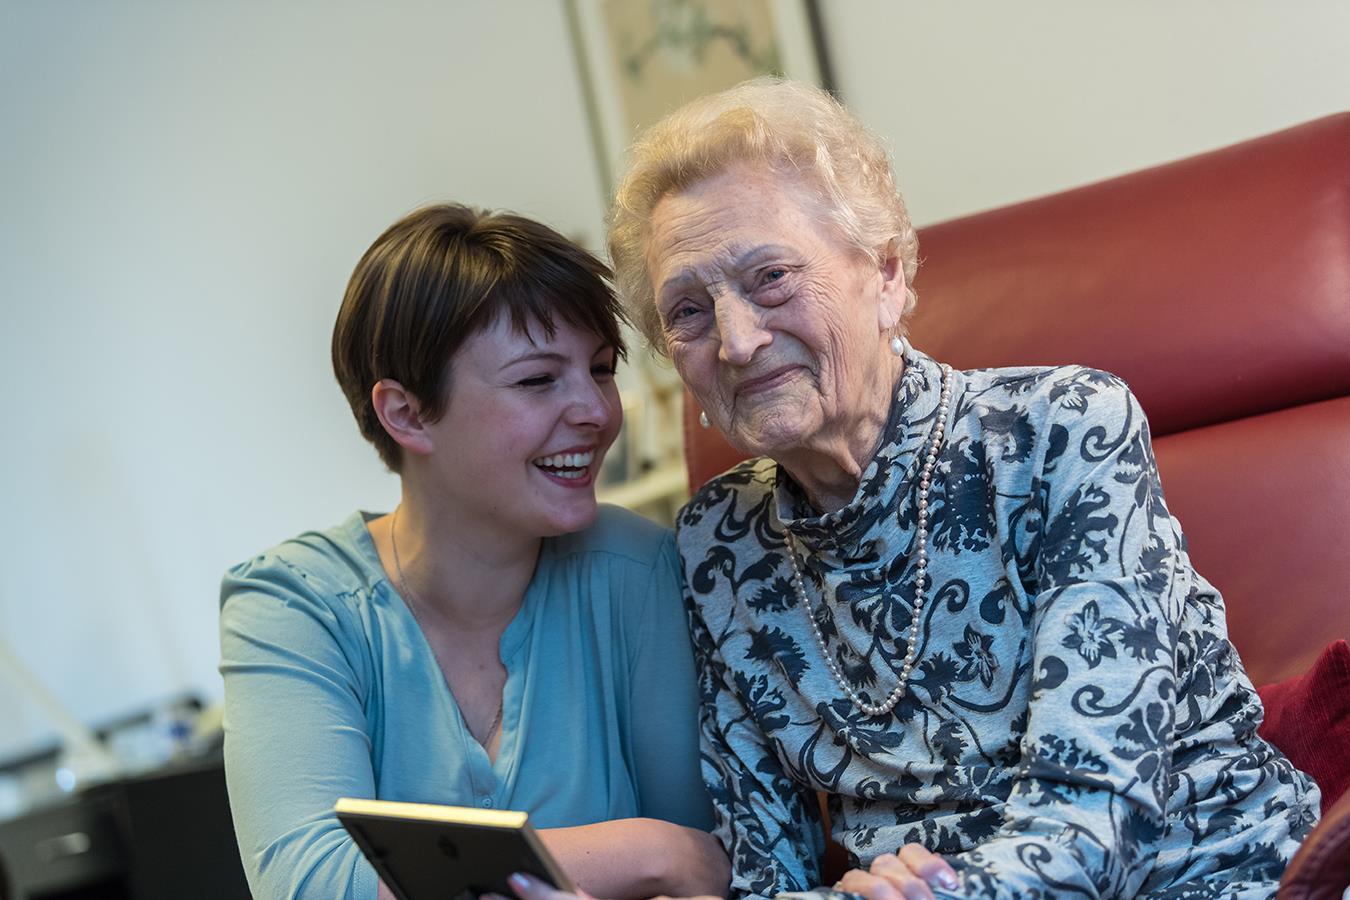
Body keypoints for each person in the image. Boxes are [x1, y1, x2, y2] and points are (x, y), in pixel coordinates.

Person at [597, 78, 1320, 899]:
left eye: (770, 277)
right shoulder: (718, 544)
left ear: (888, 275)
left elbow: (1099, 812)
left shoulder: (1061, 432)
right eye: (688, 311)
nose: (736, 340)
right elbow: (765, 871)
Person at [219, 204, 729, 900]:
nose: (596, 411)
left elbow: (715, 869)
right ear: (406, 413)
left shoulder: (638, 571)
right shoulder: (293, 604)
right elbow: (308, 887)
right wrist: (648, 848)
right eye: (537, 380)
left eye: (602, 369)